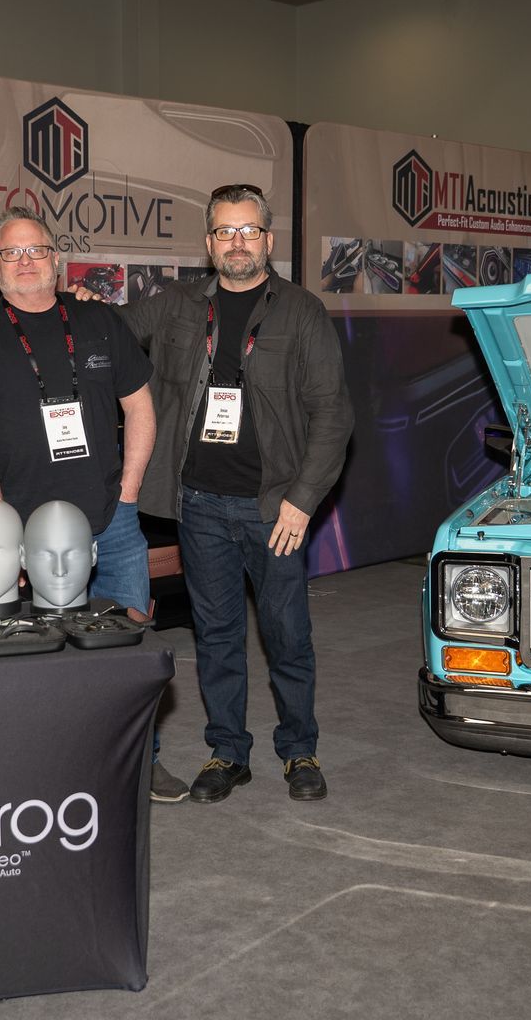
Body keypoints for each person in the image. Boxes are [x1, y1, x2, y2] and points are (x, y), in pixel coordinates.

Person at [0, 207, 189, 801]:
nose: (23, 261)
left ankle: (141, 762)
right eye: (9, 254)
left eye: (34, 250)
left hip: (112, 521)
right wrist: (2, 534)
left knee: (126, 654)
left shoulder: (99, 322)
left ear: (56, 259)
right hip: (22, 530)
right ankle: (44, 771)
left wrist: (127, 499)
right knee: (32, 661)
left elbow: (142, 411)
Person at [117, 183, 353, 804]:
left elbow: (333, 416)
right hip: (198, 503)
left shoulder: (301, 313)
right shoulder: (176, 305)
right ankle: (228, 752)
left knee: (286, 634)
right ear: (209, 243)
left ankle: (299, 747)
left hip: (272, 508)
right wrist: (70, 304)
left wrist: (303, 501)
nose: (237, 242)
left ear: (269, 241)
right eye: (225, 232)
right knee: (216, 635)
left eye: (249, 231)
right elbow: (108, 336)